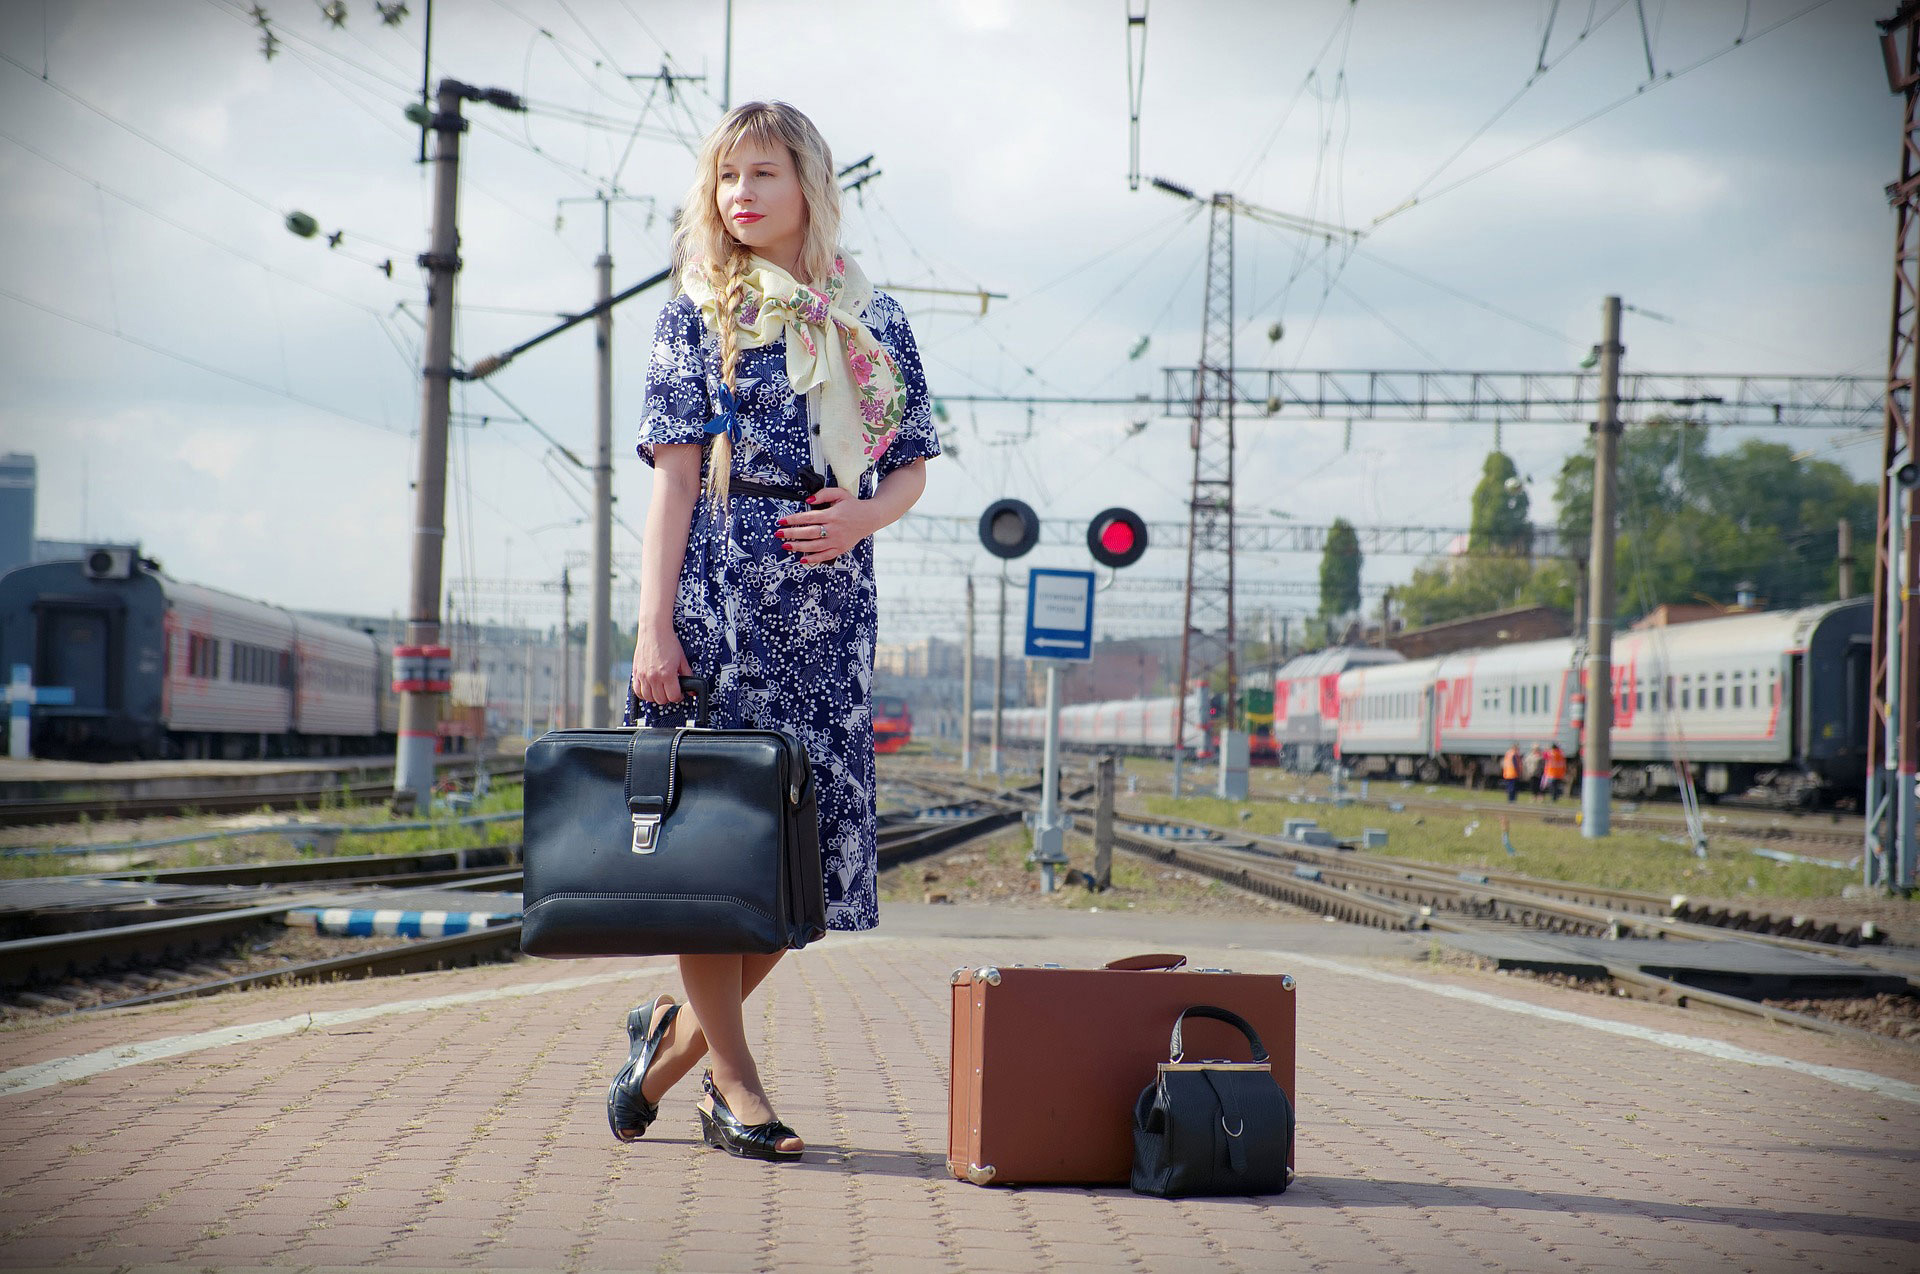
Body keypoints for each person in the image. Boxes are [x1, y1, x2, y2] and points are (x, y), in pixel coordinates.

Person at [608, 101, 939, 1162]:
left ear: (808, 186)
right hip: (718, 599)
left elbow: (913, 458)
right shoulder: (694, 313)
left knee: (807, 866)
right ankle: (732, 1085)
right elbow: (669, 487)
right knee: (715, 855)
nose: (740, 195)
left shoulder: (868, 314)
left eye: (763, 174)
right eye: (725, 178)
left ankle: (666, 1050)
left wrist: (863, 515)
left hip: (828, 605)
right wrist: (654, 626)